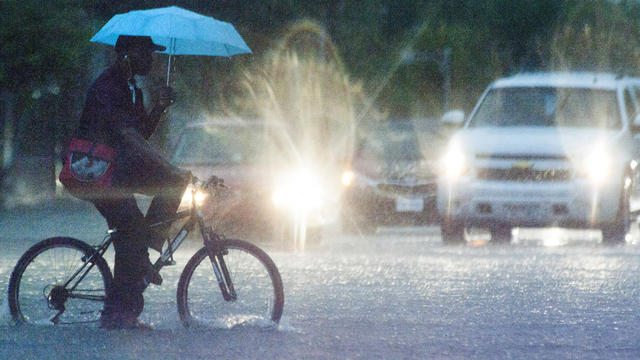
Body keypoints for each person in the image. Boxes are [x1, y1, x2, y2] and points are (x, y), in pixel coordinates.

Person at [71, 35, 191, 330]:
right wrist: (165, 164)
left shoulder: (131, 88)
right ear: (126, 54)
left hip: (116, 171)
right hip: (94, 172)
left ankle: (142, 258)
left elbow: (141, 133)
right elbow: (129, 137)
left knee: (174, 184)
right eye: (145, 53)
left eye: (152, 53)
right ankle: (117, 313)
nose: (151, 59)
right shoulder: (107, 87)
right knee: (131, 229)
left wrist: (159, 108)